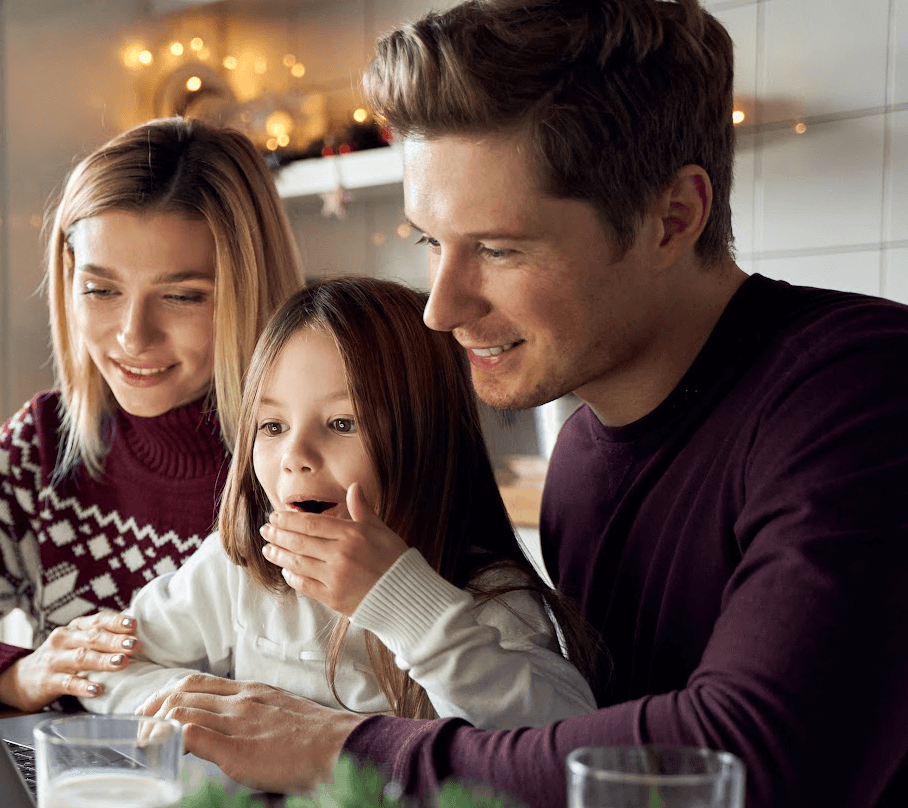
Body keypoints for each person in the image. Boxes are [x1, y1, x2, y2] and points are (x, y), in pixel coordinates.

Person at [132, 0, 908, 807]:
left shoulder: (864, 389)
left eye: (498, 249)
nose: (441, 308)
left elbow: (755, 756)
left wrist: (340, 750)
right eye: (431, 243)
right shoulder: (581, 459)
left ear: (673, 217)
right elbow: (577, 741)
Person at [0, 117, 303, 712]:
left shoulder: (316, 463)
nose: (133, 336)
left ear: (253, 288)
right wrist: (13, 675)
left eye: (182, 296)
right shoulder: (46, 444)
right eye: (101, 290)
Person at [80, 276, 597, 730]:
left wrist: (404, 603)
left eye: (342, 423)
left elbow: (562, 741)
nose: (295, 457)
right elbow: (108, 667)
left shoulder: (492, 597)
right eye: (273, 426)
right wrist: (213, 712)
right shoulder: (243, 571)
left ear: (429, 442)